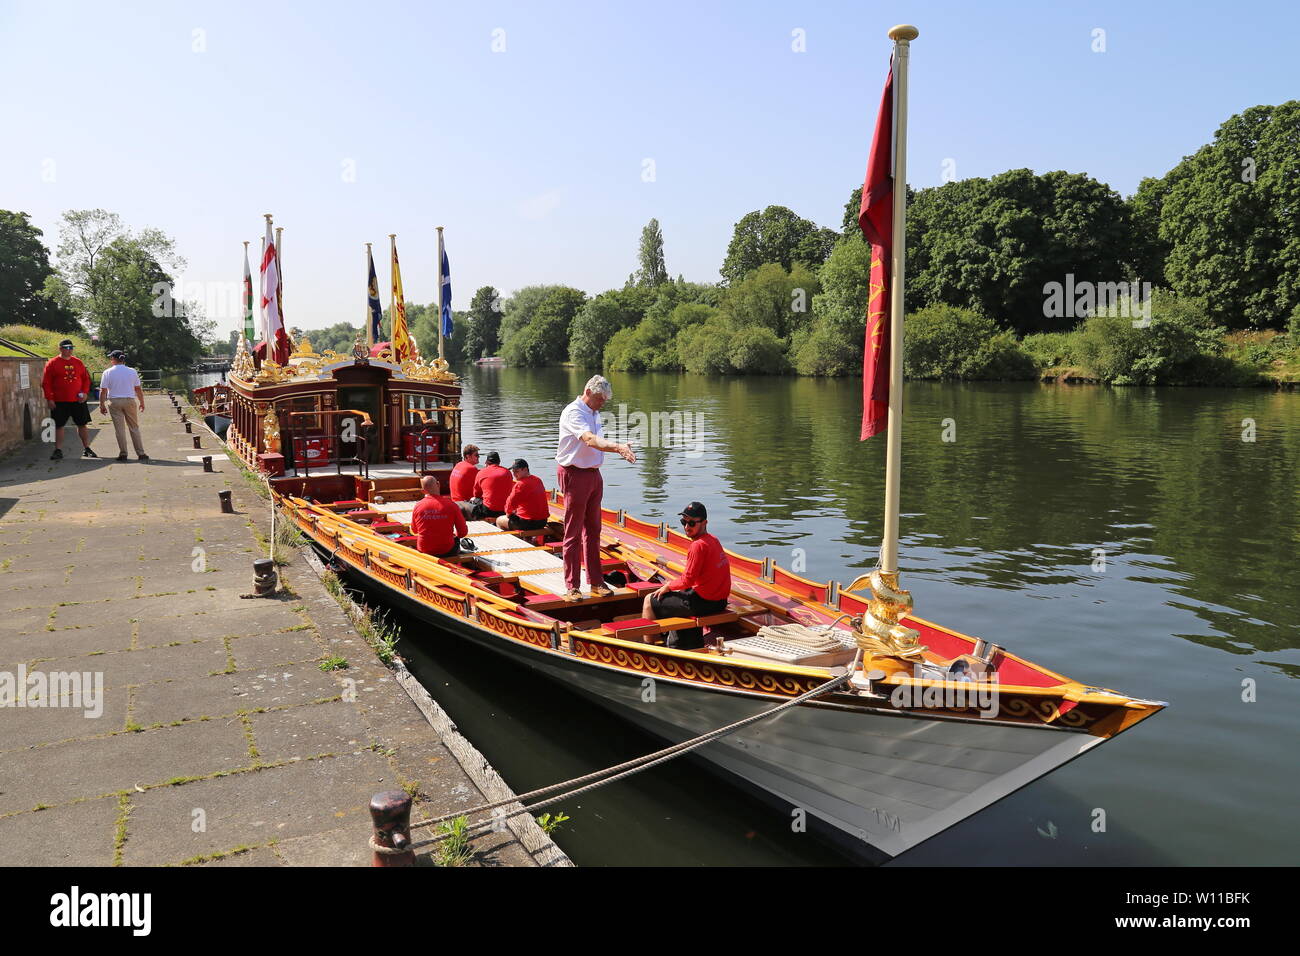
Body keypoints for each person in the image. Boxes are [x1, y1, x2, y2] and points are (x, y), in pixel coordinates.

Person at [556, 375, 636, 601]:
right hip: (574, 473)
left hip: (593, 474)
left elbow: (597, 443)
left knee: (593, 530)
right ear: (588, 392)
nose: (603, 403)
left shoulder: (594, 412)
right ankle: (572, 585)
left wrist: (616, 447)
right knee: (573, 531)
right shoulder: (574, 412)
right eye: (600, 399)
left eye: (605, 400)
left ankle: (596, 581)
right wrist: (618, 447)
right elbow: (590, 440)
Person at [642, 502, 731, 649]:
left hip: (704, 603)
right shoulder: (714, 540)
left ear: (704, 523)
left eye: (691, 523)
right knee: (681, 593)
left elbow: (688, 580)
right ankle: (686, 643)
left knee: (648, 601)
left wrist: (668, 586)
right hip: (720, 602)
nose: (686, 527)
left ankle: (647, 649)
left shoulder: (697, 546)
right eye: (684, 522)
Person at [41, 339, 96, 460]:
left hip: (78, 400)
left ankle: (86, 448)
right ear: (60, 348)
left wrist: (85, 393)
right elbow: (46, 383)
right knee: (59, 425)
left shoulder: (78, 362)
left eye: (71, 347)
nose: (70, 350)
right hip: (60, 401)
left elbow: (86, 379)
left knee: (82, 424)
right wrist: (49, 398)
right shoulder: (52, 363)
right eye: (67, 347)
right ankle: (58, 450)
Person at [97, 350, 149, 462]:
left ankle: (123, 453)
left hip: (114, 402)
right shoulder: (132, 371)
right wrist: (142, 402)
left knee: (119, 429)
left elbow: (103, 391)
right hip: (129, 400)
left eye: (110, 358)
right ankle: (141, 453)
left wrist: (101, 404)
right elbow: (138, 389)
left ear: (113, 359)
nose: (110, 360)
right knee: (134, 427)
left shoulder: (107, 372)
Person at [410, 475, 468, 558]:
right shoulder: (452, 505)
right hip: (447, 550)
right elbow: (462, 532)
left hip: (424, 549)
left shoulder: (418, 506)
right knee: (455, 540)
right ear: (438, 484)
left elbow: (414, 530)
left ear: (423, 491)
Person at [495, 459, 549, 532]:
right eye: (513, 472)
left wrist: (508, 514)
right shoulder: (538, 480)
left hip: (527, 523)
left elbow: (509, 504)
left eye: (517, 471)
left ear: (525, 469)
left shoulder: (520, 484)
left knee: (499, 520)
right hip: (542, 522)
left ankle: (512, 541)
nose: (514, 474)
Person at [472, 451, 513, 521]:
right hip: (504, 510)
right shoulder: (508, 472)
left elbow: (476, 494)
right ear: (499, 462)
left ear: (486, 462)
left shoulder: (481, 473)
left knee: (471, 502)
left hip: (488, 511)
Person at [449, 444, 480, 519]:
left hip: (454, 501)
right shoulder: (472, 469)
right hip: (464, 504)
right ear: (468, 456)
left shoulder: (458, 464)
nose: (478, 457)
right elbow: (481, 488)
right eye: (476, 455)